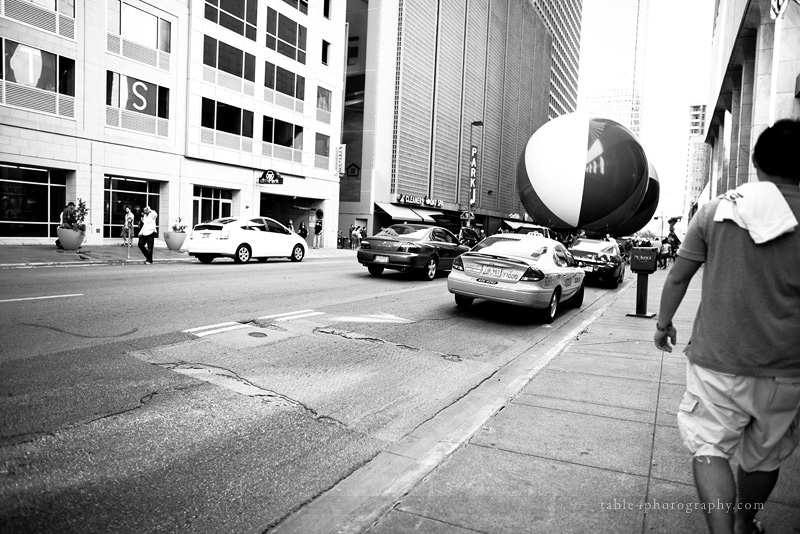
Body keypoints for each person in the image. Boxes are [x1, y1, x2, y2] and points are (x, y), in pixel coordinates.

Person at [653, 119, 800, 534]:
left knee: (710, 448)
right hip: (787, 367)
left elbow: (679, 276)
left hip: (717, 359)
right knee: (765, 457)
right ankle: (743, 522)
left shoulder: (716, 210)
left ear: (756, 162)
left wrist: (663, 324)